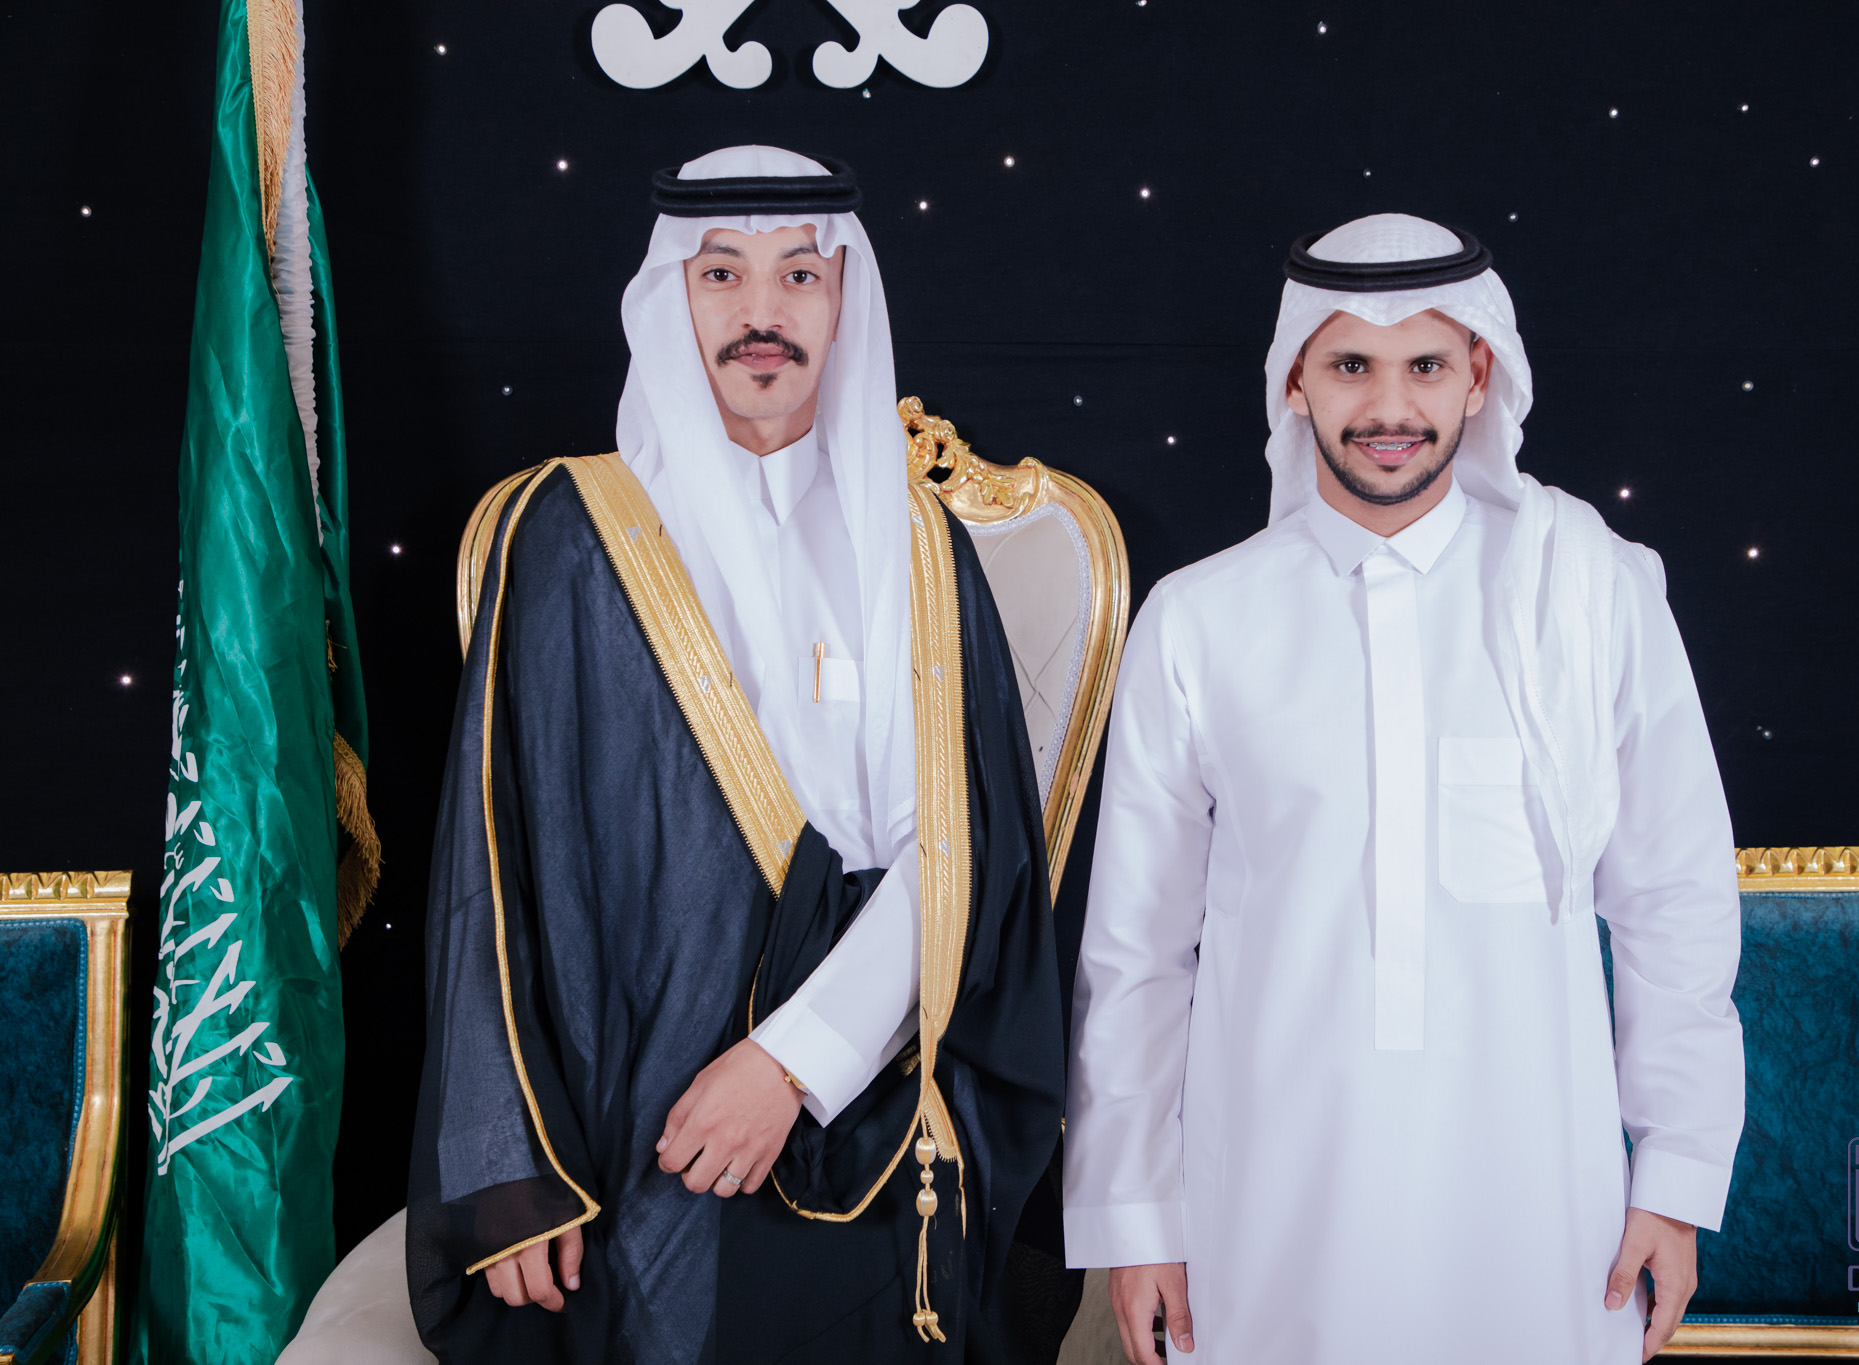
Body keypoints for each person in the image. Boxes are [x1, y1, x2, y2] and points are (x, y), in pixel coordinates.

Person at [405, 146, 1065, 1364]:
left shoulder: (921, 547)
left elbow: (963, 852)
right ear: (671, 296)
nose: (762, 311)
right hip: (625, 1097)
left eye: (798, 274)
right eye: (722, 273)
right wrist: (506, 1169)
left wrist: (792, 1065)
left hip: (876, 1074)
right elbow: (489, 867)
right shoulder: (571, 530)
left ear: (843, 299)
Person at [1061, 213, 1745, 1363]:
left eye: (1423, 365)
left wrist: (1672, 1178)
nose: (1389, 407)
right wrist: (1134, 1220)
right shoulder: (1197, 620)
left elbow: (1672, 902)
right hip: (1268, 1209)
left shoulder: (1589, 594)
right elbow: (1135, 953)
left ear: (1478, 374)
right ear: (1294, 380)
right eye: (1350, 366)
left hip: (1539, 1203)